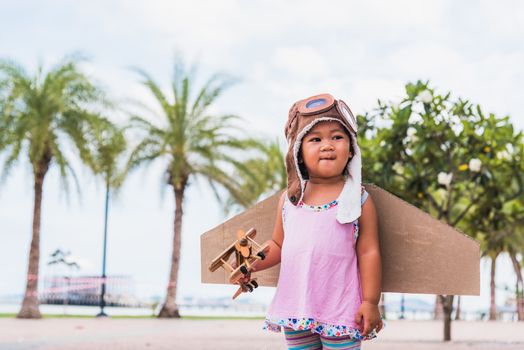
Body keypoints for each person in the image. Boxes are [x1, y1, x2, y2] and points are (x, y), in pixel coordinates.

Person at [241, 93, 383, 349]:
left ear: (351, 149)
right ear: (299, 151)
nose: (327, 145)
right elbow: (277, 244)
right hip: (297, 308)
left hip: (341, 310)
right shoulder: (290, 200)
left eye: (337, 137)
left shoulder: (358, 199)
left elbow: (369, 251)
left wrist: (371, 301)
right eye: (315, 139)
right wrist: (249, 264)